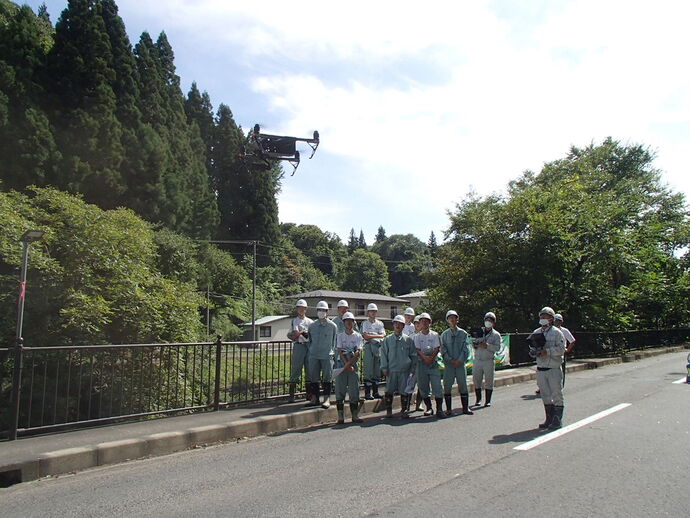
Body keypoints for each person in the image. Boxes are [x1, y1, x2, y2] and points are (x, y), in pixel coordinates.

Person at [532, 306, 566, 430]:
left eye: (545, 317)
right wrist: (534, 352)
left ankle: (557, 420)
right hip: (541, 368)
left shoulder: (557, 333)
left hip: (553, 368)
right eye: (541, 316)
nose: (542, 319)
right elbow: (532, 347)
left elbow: (562, 349)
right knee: (545, 394)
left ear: (551, 319)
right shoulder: (536, 332)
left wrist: (548, 351)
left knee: (556, 394)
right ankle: (549, 418)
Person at [381, 315, 417, 419]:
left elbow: (413, 355)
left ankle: (404, 410)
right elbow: (383, 354)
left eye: (400, 324)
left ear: (403, 326)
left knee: (404, 391)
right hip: (391, 370)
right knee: (389, 390)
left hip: (404, 370)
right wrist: (384, 368)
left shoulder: (408, 340)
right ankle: (388, 411)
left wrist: (413, 369)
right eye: (396, 323)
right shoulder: (387, 340)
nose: (398, 325)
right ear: (393, 325)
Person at [440, 310, 473, 416]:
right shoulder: (444, 335)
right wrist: (450, 360)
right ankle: (449, 409)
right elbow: (443, 349)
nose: (452, 320)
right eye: (450, 318)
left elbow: (466, 348)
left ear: (457, 319)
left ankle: (465, 407)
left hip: (460, 364)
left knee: (463, 384)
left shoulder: (463, 334)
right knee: (447, 386)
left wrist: (460, 359)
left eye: (454, 317)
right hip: (449, 365)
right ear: (447, 320)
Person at [306, 300, 338, 409]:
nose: (321, 312)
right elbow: (309, 340)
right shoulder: (312, 326)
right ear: (316, 311)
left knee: (327, 378)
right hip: (314, 354)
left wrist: (332, 353)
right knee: (313, 377)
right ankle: (314, 398)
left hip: (327, 355)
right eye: (319, 310)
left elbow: (335, 341)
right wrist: (311, 350)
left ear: (327, 311)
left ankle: (326, 399)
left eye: (323, 310)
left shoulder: (333, 326)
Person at [334, 312, 364, 424]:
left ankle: (354, 415)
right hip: (342, 365)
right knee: (340, 390)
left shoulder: (358, 336)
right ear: (343, 323)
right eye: (347, 321)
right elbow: (340, 351)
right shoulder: (340, 336)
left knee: (354, 390)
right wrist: (346, 364)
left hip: (353, 364)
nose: (349, 323)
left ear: (353, 322)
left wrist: (350, 364)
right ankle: (340, 417)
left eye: (351, 321)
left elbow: (358, 351)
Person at [414, 313, 444, 418]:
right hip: (421, 363)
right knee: (423, 386)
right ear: (420, 323)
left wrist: (430, 358)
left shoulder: (435, 335)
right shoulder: (417, 336)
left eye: (426, 321)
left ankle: (439, 409)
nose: (424, 323)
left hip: (433, 363)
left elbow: (437, 348)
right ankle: (429, 408)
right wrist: (425, 358)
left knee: (437, 386)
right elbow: (417, 349)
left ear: (430, 323)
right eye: (422, 321)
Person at [471, 312, 502, 408]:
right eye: (487, 320)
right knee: (477, 380)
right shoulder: (479, 331)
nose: (488, 322)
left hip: (488, 359)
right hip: (478, 359)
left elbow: (497, 348)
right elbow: (473, 341)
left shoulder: (496, 334)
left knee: (489, 380)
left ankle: (488, 400)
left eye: (490, 320)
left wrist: (487, 346)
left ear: (493, 322)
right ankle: (478, 399)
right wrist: (476, 344)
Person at [287, 299, 313, 403]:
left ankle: (309, 394)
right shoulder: (295, 321)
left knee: (309, 370)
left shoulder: (310, 321)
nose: (301, 310)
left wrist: (302, 333)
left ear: (306, 309)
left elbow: (310, 335)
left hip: (308, 346)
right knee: (296, 369)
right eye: (299, 308)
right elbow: (296, 334)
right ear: (297, 309)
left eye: (303, 308)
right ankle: (291, 395)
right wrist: (303, 332)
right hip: (298, 346)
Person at [361, 303, 386, 400]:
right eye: (371, 311)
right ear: (368, 312)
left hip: (377, 347)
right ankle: (367, 393)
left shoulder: (380, 323)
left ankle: (375, 392)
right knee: (368, 370)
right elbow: (365, 336)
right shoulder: (365, 323)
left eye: (375, 311)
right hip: (368, 347)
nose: (373, 313)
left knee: (376, 370)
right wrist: (376, 335)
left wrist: (372, 335)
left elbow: (383, 335)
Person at [554, 313, 576, 386]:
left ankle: (560, 384)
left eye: (559, 321)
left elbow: (572, 341)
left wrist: (567, 350)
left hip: (561, 352)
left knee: (561, 369)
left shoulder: (564, 331)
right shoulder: (549, 330)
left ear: (561, 322)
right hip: (551, 352)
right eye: (556, 320)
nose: (557, 322)